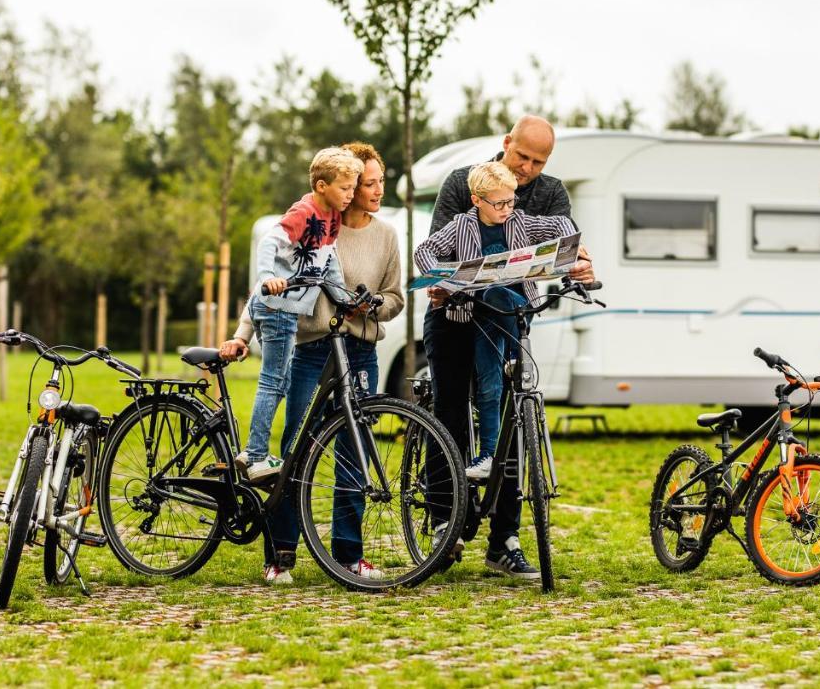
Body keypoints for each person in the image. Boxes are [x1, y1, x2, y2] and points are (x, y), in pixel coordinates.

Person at [422, 115, 595, 581]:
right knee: (450, 416)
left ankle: (505, 541)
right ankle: (445, 523)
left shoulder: (552, 192)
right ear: (505, 144)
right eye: (522, 156)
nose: (528, 168)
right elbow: (439, 252)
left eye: (539, 161)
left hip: (506, 322)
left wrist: (578, 264)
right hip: (454, 320)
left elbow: (567, 244)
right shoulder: (464, 183)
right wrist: (443, 282)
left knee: (511, 425)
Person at [222, 142, 404, 585]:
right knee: (295, 448)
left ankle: (349, 554)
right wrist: (242, 334)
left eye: (380, 181)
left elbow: (396, 298)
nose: (378, 190)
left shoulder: (386, 236)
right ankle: (281, 552)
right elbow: (273, 289)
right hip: (312, 349)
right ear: (348, 188)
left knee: (354, 455)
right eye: (369, 183)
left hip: (359, 351)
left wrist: (372, 304)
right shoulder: (319, 224)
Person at [414, 161, 575, 482]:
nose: (507, 209)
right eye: (499, 203)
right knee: (489, 387)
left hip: (513, 317)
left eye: (511, 201)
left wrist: (571, 252)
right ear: (477, 200)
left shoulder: (520, 221)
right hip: (478, 320)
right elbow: (425, 250)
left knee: (503, 297)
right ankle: (488, 454)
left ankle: (515, 357)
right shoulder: (461, 225)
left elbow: (561, 225)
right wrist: (443, 279)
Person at [233, 147, 363, 484]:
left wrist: (344, 298)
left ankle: (252, 449)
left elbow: (327, 261)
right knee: (273, 381)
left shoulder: (332, 217)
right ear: (322, 186)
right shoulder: (305, 211)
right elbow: (268, 242)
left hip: (287, 311)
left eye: (353, 188)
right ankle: (258, 457)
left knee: (280, 383)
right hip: (276, 306)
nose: (351, 195)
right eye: (345, 188)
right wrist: (265, 278)